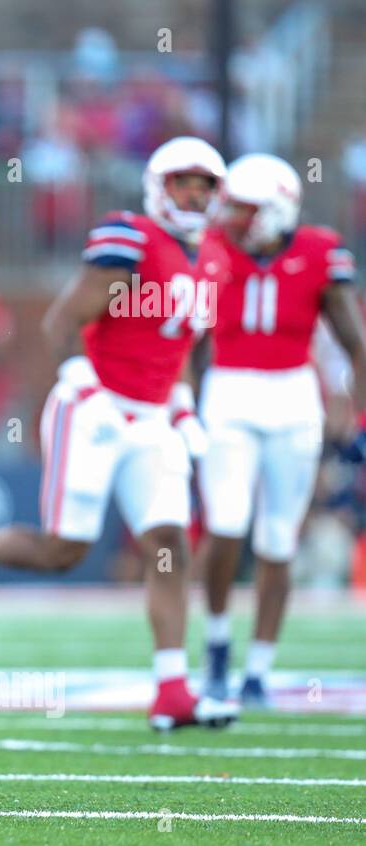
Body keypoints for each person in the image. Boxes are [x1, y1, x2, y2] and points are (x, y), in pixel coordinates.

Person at [0, 137, 240, 731]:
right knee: (62, 552)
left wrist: (182, 406)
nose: (195, 196)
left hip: (152, 417)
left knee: (168, 544)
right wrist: (84, 381)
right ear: (160, 186)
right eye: (185, 183)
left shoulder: (214, 259)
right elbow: (63, 321)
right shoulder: (131, 238)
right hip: (95, 404)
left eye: (206, 186)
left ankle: (174, 687)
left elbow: (179, 343)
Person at [197, 154, 366, 706]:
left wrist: (356, 413)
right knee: (225, 524)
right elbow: (181, 330)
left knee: (276, 539)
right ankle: (219, 645)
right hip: (228, 388)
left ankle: (259, 670)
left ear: (276, 210)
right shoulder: (212, 248)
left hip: (293, 397)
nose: (232, 219)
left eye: (245, 210)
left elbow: (354, 343)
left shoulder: (319, 252)